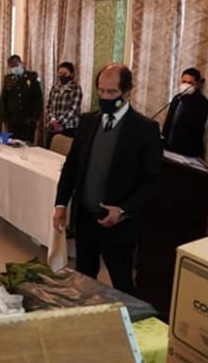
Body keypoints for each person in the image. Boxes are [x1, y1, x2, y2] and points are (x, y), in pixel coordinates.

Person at [53, 63, 161, 294]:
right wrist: (61, 204)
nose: (105, 97)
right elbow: (71, 167)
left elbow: (152, 182)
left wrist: (123, 210)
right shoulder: (87, 122)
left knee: (122, 283)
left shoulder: (145, 129)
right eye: (101, 91)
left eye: (112, 92)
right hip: (85, 220)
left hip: (119, 226)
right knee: (84, 280)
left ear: (127, 91)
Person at [162, 67, 208, 158]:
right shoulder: (177, 98)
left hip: (187, 151)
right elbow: (169, 121)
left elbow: (193, 126)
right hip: (169, 147)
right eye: (184, 82)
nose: (186, 85)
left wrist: (187, 98)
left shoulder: (203, 103)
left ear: (196, 84)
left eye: (190, 83)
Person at [2, 54, 43, 144]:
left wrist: (35, 118)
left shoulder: (32, 76)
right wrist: (5, 119)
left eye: (16, 65)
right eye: (12, 66)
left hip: (28, 120)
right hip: (13, 121)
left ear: (22, 63)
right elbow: (4, 99)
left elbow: (38, 99)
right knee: (13, 145)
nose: (14, 68)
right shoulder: (8, 79)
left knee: (27, 145)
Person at [45, 61, 83, 148]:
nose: (62, 76)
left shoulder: (76, 88)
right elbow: (49, 106)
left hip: (69, 127)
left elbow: (73, 109)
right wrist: (53, 121)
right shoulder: (55, 87)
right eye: (60, 73)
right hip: (53, 126)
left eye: (65, 73)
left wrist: (59, 122)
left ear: (71, 74)